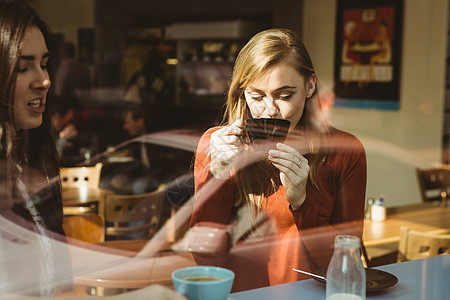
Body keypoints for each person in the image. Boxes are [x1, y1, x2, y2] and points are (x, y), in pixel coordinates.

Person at [0, 1, 185, 299]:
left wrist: (151, 270)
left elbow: (46, 280)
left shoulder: (24, 168)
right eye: (23, 68)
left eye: (44, 64)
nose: (44, 80)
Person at [190, 28, 367, 292]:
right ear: (242, 93)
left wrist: (302, 202)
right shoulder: (216, 144)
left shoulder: (345, 151)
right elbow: (205, 256)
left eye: (285, 95)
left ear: (310, 86)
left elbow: (345, 264)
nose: (270, 110)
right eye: (257, 96)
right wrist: (217, 176)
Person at [52, 41, 91, 109]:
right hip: (83, 104)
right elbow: (88, 88)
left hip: (68, 105)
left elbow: (60, 91)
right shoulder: (84, 68)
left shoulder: (64, 68)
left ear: (63, 52)